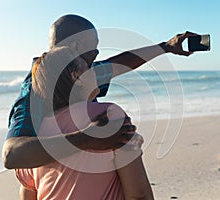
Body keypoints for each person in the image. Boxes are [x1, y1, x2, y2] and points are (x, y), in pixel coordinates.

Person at [16, 46, 153, 199]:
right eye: (88, 67)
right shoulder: (107, 116)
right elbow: (139, 195)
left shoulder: (34, 132)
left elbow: (28, 195)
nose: (95, 71)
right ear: (76, 77)